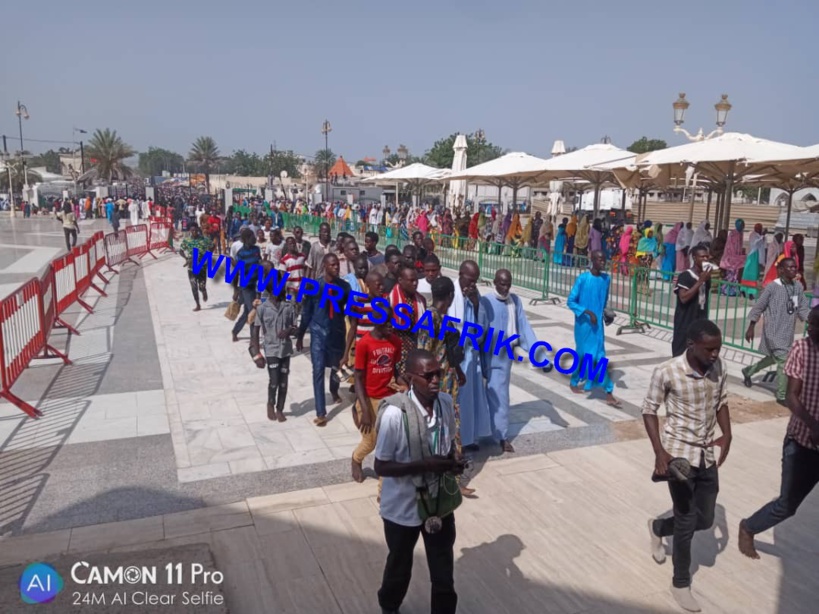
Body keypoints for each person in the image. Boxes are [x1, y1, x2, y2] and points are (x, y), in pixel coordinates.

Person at [643, 319, 731, 613]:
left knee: (704, 520)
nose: (715, 354)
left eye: (718, 349)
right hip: (678, 455)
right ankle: (680, 583)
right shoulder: (667, 371)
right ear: (691, 345)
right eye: (710, 349)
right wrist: (660, 453)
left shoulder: (718, 367)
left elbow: (721, 402)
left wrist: (727, 434)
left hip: (706, 454)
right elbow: (649, 410)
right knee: (685, 519)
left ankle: (657, 527)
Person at [374, 349, 465, 614]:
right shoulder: (395, 414)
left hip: (438, 504)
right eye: (429, 375)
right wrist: (425, 466)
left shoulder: (445, 403)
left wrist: (453, 462)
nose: (436, 380)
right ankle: (389, 606)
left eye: (439, 373)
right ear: (410, 377)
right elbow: (381, 466)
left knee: (443, 571)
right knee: (399, 566)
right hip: (403, 508)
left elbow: (448, 446)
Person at [738, 306, 819, 560]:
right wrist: (813, 425)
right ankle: (749, 527)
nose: (812, 330)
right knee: (787, 504)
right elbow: (792, 397)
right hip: (802, 442)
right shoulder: (802, 349)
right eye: (811, 324)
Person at [418, 276, 474, 496]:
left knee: (453, 430)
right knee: (438, 432)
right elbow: (424, 356)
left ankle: (454, 480)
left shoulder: (444, 319)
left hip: (450, 386)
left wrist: (458, 371)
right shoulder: (430, 319)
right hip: (437, 388)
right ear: (450, 296)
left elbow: (449, 350)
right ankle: (439, 480)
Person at [481, 269, 546, 453]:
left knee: (500, 396)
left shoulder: (515, 301)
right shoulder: (486, 301)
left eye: (508, 284)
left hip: (504, 357)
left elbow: (524, 329)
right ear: (495, 282)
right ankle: (474, 436)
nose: (505, 288)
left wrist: (539, 355)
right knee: (477, 396)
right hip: (485, 354)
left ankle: (501, 436)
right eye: (502, 284)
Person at [742, 258, 810, 403]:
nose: (793, 270)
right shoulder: (772, 287)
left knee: (775, 358)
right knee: (783, 360)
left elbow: (803, 308)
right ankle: (782, 395)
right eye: (790, 267)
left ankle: (748, 371)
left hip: (787, 330)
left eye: (795, 267)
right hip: (773, 330)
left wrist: (811, 320)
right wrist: (751, 327)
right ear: (781, 270)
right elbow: (759, 306)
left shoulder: (797, 286)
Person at [296, 253, 351, 426]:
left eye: (337, 265)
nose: (336, 267)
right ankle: (321, 412)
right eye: (332, 265)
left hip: (337, 333)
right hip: (318, 332)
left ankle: (334, 390)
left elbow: (350, 312)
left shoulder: (345, 287)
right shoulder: (315, 287)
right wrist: (300, 335)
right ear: (325, 266)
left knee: (336, 368)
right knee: (318, 370)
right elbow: (306, 313)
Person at [352, 306, 402, 482]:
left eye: (391, 321)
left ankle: (383, 476)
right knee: (370, 441)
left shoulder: (395, 342)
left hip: (388, 399)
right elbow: (358, 378)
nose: (390, 325)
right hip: (369, 399)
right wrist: (365, 409)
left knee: (389, 441)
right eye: (385, 322)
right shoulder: (364, 344)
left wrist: (403, 383)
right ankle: (356, 459)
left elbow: (394, 369)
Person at [567, 251, 621, 407]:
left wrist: (606, 313)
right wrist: (587, 312)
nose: (602, 262)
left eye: (604, 260)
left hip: (597, 326)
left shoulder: (606, 279)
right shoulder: (583, 279)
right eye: (599, 259)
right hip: (583, 325)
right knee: (583, 355)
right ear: (592, 260)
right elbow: (571, 301)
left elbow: (603, 300)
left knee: (599, 355)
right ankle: (574, 381)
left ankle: (608, 392)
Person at [451, 260, 492, 449]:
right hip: (457, 359)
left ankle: (469, 439)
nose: (472, 285)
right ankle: (458, 441)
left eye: (475, 281)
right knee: (459, 401)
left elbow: (482, 329)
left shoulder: (475, 296)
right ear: (461, 275)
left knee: (471, 401)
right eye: (470, 280)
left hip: (471, 357)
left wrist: (476, 305)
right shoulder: (452, 294)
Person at [250, 268, 298, 422]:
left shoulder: (289, 306)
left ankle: (280, 409)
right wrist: (256, 354)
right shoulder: (262, 309)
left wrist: (289, 330)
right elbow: (255, 332)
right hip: (271, 349)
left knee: (284, 382)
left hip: (285, 350)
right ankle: (270, 404)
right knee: (274, 380)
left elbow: (296, 328)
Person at [672, 245, 712, 357]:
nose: (705, 259)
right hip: (685, 321)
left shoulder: (706, 277)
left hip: (700, 320)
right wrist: (700, 282)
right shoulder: (685, 276)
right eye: (702, 257)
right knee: (680, 352)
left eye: (707, 257)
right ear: (694, 258)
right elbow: (683, 298)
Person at [388, 265, 427, 374]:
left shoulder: (421, 301)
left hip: (415, 349)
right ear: (400, 280)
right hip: (396, 350)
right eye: (411, 280)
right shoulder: (389, 301)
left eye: (416, 280)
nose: (415, 283)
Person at [231, 228, 262, 342]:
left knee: (247, 312)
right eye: (252, 236)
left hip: (255, 284)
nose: (254, 238)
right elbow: (236, 272)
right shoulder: (241, 253)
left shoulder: (256, 249)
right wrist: (236, 289)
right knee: (252, 311)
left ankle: (235, 331)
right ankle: (254, 340)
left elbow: (260, 265)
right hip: (246, 287)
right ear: (246, 239)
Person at [178, 225, 213, 312]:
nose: (194, 232)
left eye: (195, 230)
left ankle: (203, 291)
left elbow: (212, 246)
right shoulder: (187, 241)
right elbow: (181, 251)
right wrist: (186, 258)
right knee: (193, 286)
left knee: (201, 286)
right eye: (192, 230)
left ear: (198, 230)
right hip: (191, 267)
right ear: (190, 231)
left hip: (202, 266)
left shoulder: (205, 239)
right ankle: (198, 304)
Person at [740, 223, 766, 298]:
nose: (759, 229)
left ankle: (751, 291)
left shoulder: (761, 236)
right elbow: (755, 244)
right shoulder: (753, 235)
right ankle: (745, 290)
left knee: (755, 276)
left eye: (760, 228)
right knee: (750, 274)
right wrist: (762, 236)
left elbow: (763, 246)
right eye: (757, 228)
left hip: (758, 257)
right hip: (753, 255)